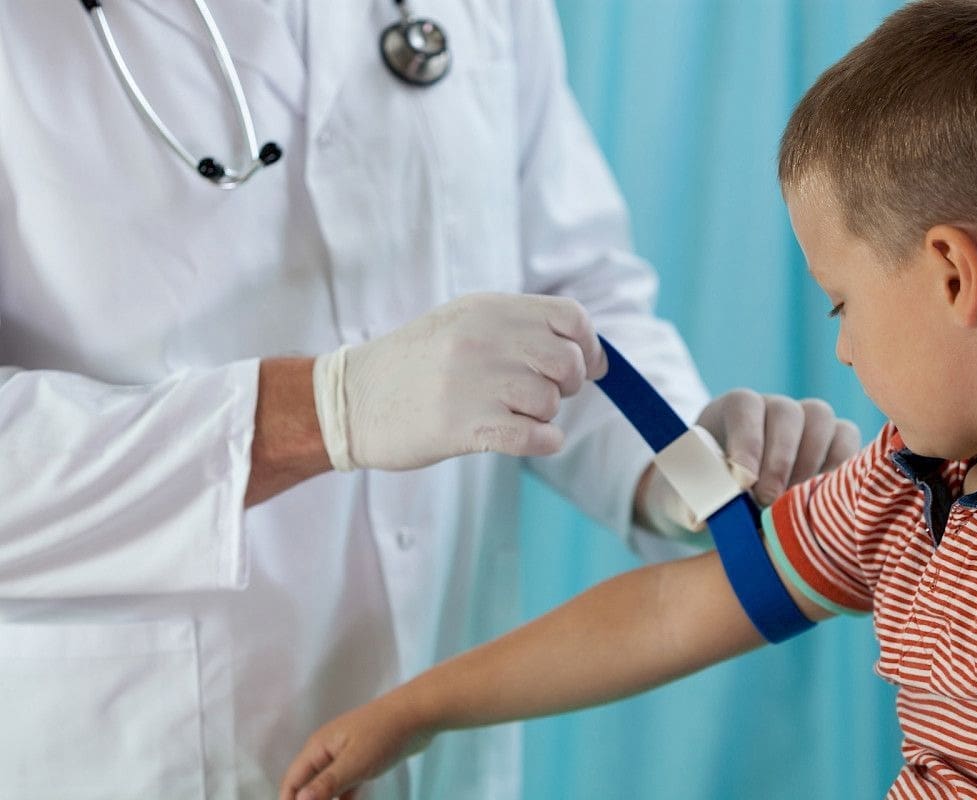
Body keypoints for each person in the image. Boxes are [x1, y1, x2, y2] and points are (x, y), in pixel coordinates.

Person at [278, 1, 977, 798]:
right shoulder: (927, 465)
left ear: (952, 275)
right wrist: (414, 711)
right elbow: (674, 613)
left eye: (842, 303)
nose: (841, 348)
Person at [0, 1, 860, 798]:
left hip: (442, 728)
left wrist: (684, 468)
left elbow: (568, 300)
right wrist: (322, 411)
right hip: (138, 742)